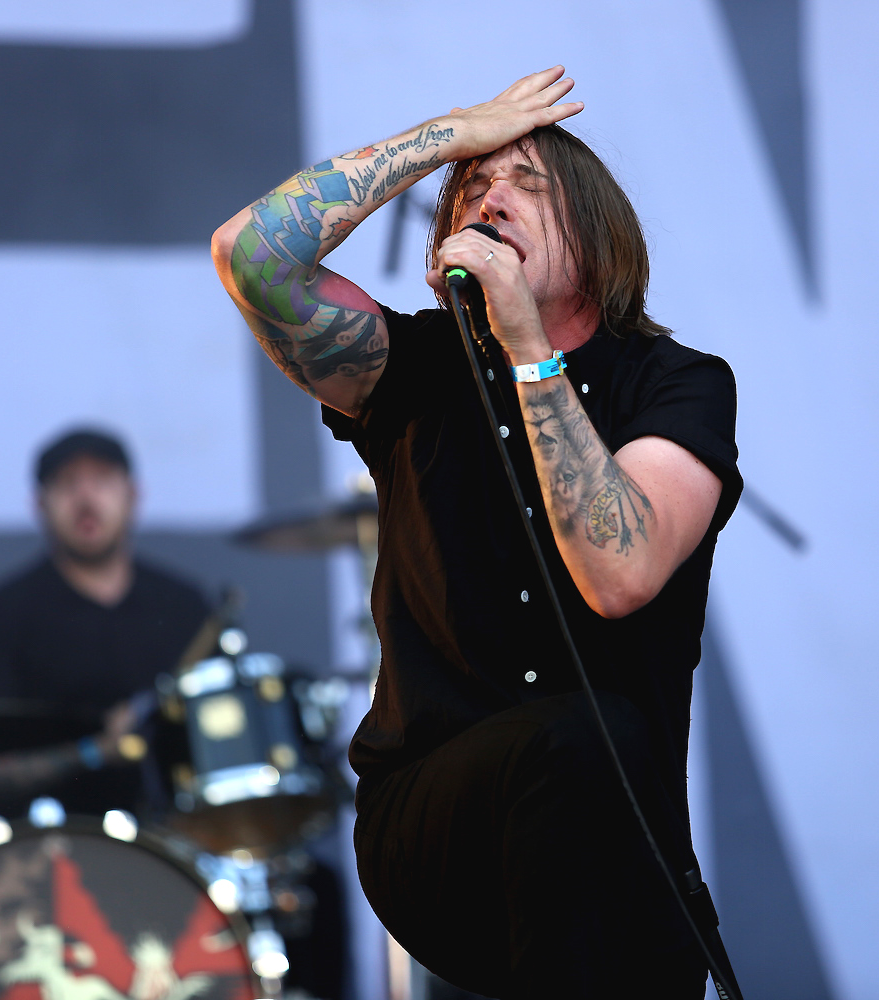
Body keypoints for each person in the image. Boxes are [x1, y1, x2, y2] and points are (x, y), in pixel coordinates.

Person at [212, 67, 742, 999]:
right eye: (472, 189)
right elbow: (250, 254)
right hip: (435, 825)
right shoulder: (412, 368)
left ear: (596, 230)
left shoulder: (678, 384)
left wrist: (528, 348)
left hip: (620, 838)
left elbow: (620, 574)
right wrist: (451, 134)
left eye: (526, 184)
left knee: (599, 776)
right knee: (579, 739)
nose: (491, 198)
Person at [0, 428, 211, 821]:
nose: (86, 500)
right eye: (68, 484)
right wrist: (94, 751)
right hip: (47, 844)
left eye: (102, 481)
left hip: (179, 836)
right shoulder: (1, 614)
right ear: (40, 504)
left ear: (133, 496)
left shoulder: (184, 606)